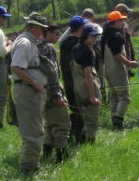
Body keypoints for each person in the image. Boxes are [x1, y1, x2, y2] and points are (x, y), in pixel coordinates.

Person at [10, 12, 49, 175]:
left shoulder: (30, 42)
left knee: (35, 129)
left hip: (31, 91)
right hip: (28, 91)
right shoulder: (25, 43)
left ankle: (33, 165)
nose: (43, 32)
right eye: (41, 28)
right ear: (33, 27)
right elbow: (16, 67)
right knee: (33, 132)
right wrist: (35, 83)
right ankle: (28, 170)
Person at [38, 23, 71, 162]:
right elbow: (52, 74)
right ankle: (61, 156)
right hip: (52, 91)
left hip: (40, 92)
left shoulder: (35, 46)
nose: (58, 37)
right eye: (56, 34)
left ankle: (46, 153)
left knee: (49, 123)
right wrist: (57, 95)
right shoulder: (48, 48)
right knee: (62, 124)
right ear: (48, 33)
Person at [101, 10, 138, 130]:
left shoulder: (104, 35)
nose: (122, 22)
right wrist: (129, 63)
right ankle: (118, 121)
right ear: (115, 21)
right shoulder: (116, 35)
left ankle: (115, 123)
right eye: (121, 20)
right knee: (125, 98)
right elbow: (117, 55)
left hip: (106, 69)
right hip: (116, 69)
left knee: (114, 97)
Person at [71, 24, 104, 142]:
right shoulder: (88, 52)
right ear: (86, 36)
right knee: (92, 116)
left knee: (85, 115)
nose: (95, 39)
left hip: (78, 87)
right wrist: (92, 97)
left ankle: (82, 140)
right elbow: (88, 75)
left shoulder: (76, 47)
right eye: (93, 36)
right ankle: (90, 143)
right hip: (87, 88)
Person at [59, 15, 86, 143]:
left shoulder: (63, 43)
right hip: (76, 81)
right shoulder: (77, 45)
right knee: (81, 109)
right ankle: (79, 138)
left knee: (74, 108)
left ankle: (70, 135)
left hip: (67, 80)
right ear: (80, 28)